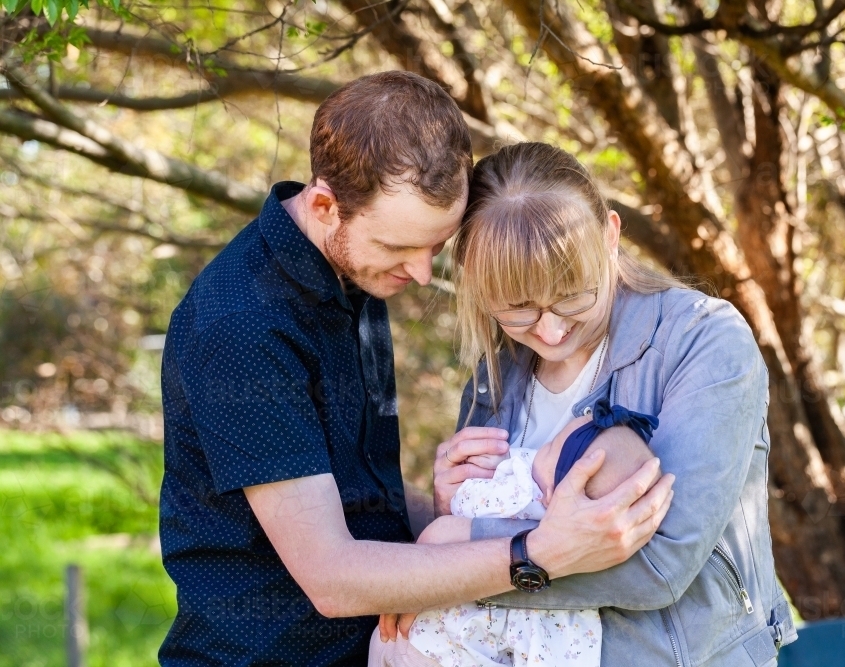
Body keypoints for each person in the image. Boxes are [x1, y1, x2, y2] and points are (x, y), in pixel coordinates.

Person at [156, 72, 673, 666]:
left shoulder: (355, 272)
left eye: (436, 246)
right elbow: (332, 577)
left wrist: (454, 504)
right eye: (401, 248)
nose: (424, 274)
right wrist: (537, 553)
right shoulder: (242, 324)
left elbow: (343, 494)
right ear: (326, 205)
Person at [404, 142, 798, 666]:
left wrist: (458, 551)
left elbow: (662, 563)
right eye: (517, 310)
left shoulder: (703, 340)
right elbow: (484, 538)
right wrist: (453, 503)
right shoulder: (496, 374)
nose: (549, 329)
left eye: (573, 295)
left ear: (610, 236)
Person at [369, 403, 663, 667]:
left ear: (553, 494)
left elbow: (460, 512)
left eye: (549, 449)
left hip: (438, 641)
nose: (535, 451)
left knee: (384, 645)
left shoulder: (521, 494)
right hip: (476, 641)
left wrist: (410, 579)